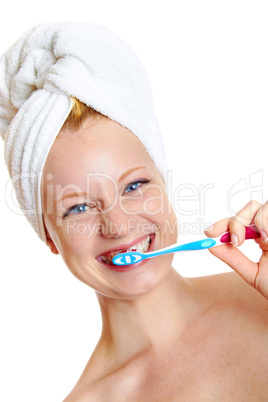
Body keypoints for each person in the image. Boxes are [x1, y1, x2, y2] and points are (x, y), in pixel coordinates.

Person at [1, 23, 267, 401]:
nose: (118, 225)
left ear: (163, 184)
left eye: (134, 186)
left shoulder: (261, 299)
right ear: (49, 237)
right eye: (78, 207)